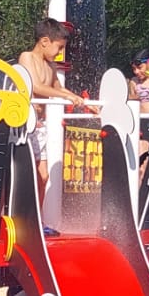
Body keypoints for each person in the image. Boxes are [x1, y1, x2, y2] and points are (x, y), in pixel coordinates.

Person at [18, 18, 92, 203]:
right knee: (26, 176)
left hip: (40, 127)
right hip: (26, 127)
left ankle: (39, 222)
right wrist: (67, 97)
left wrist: (82, 101)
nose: (60, 52)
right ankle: (17, 215)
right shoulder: (27, 57)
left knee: (43, 176)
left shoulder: (50, 65)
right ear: (44, 41)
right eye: (59, 47)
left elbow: (59, 89)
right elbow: (36, 86)